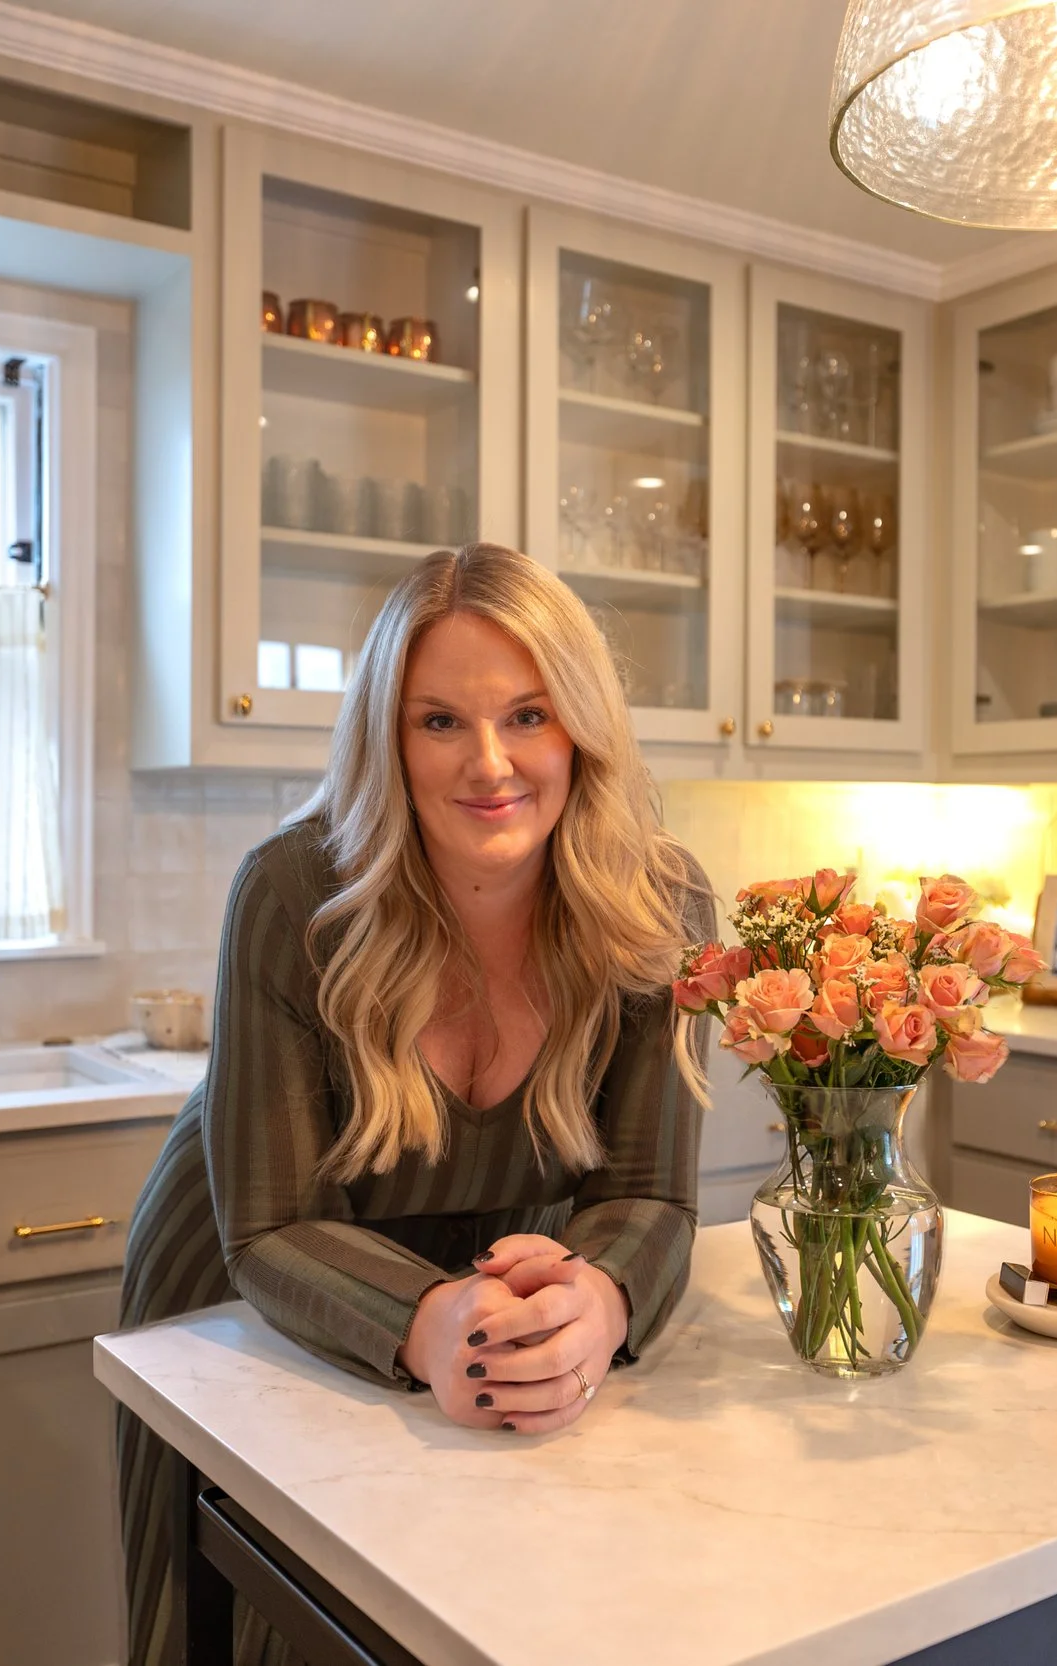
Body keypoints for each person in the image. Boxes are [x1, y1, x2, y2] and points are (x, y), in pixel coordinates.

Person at [114, 542, 714, 1665]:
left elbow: (647, 1189)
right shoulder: (297, 893)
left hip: (488, 1291)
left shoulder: (659, 899)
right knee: (258, 1622)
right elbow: (273, 1223)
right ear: (387, 738)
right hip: (253, 1291)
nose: (490, 762)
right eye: (440, 721)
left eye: (527, 714)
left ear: (580, 723)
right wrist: (424, 1321)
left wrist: (601, 1298)